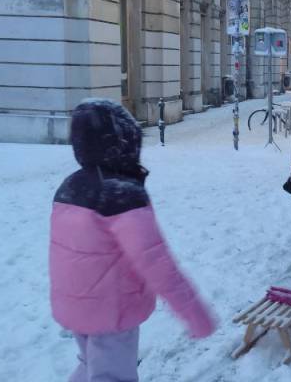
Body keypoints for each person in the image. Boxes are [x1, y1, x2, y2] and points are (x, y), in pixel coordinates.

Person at [50, 100, 216, 382]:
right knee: (111, 375)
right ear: (124, 143)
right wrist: (194, 313)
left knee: (91, 365)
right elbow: (157, 264)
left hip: (75, 306)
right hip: (112, 311)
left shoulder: (70, 185)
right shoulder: (121, 195)